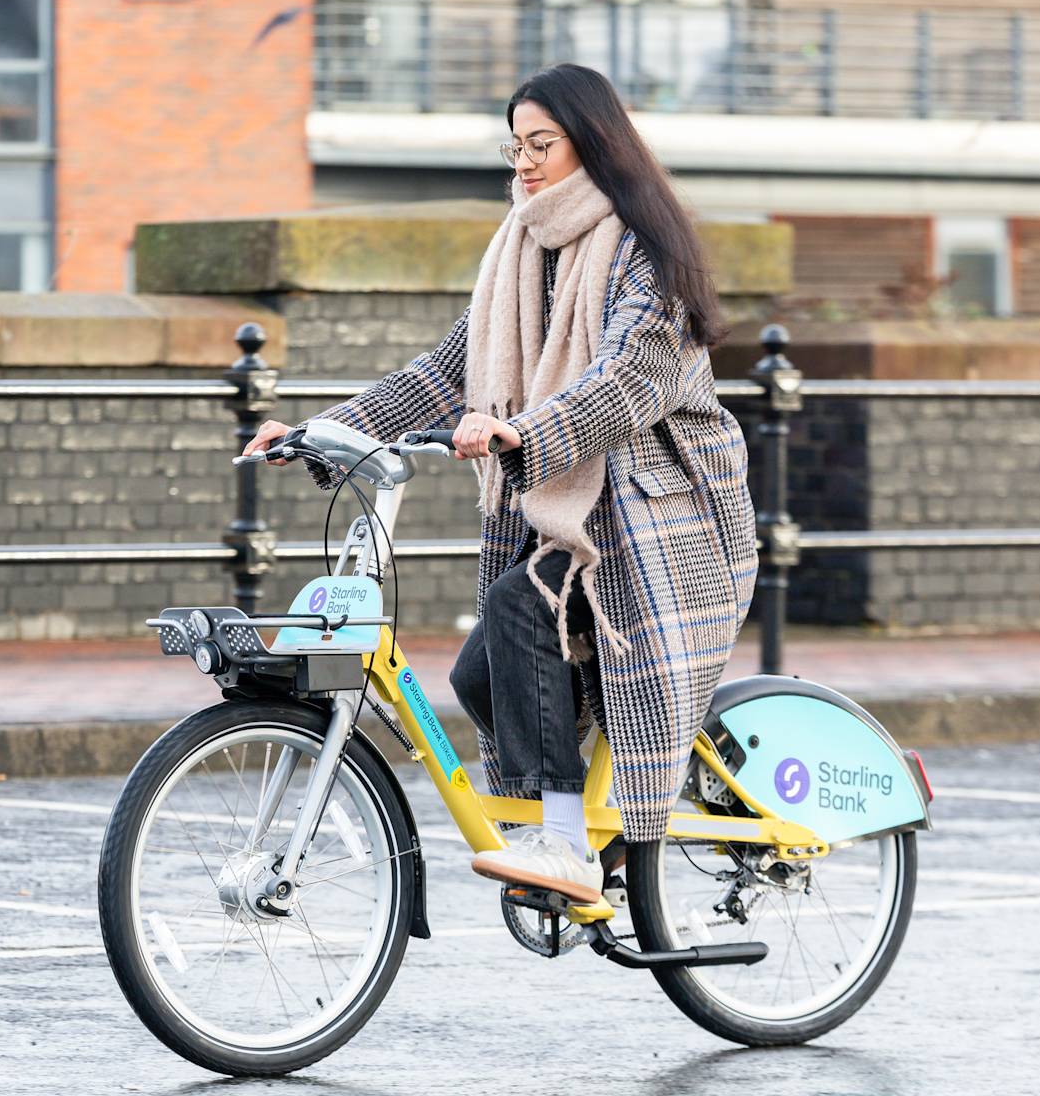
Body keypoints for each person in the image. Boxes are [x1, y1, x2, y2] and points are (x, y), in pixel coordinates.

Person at [243, 63, 758, 906]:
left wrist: (524, 431)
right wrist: (320, 429)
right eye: (514, 145)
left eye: (541, 144)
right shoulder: (520, 252)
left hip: (669, 524)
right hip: (577, 516)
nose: (523, 163)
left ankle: (565, 845)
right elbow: (447, 374)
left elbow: (628, 380)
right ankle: (592, 825)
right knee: (480, 675)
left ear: (592, 144)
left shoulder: (645, 254)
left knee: (523, 608)